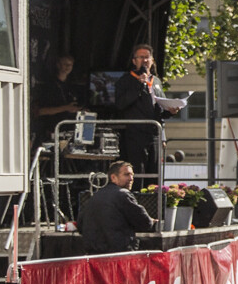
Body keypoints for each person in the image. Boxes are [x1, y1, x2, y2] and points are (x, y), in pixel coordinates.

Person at [109, 44, 183, 184]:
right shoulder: (125, 80)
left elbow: (159, 108)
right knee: (138, 170)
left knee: (154, 171)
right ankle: (137, 195)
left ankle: (153, 195)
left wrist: (170, 111)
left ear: (152, 60)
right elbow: (121, 104)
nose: (144, 60)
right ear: (134, 61)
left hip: (154, 133)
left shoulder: (156, 81)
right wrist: (139, 84)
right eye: (141, 57)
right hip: (135, 133)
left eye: (147, 57)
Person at [77, 160, 156, 255]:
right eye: (126, 174)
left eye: (132, 175)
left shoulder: (95, 197)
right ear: (113, 177)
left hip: (94, 256)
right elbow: (145, 222)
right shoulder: (123, 195)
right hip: (118, 255)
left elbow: (80, 225)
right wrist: (151, 221)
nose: (131, 178)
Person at [31, 53, 88, 146]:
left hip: (70, 133)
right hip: (51, 132)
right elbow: (40, 111)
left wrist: (80, 110)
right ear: (58, 65)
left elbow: (73, 107)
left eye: (70, 65)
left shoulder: (71, 86)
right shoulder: (49, 85)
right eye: (65, 64)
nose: (68, 67)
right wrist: (66, 108)